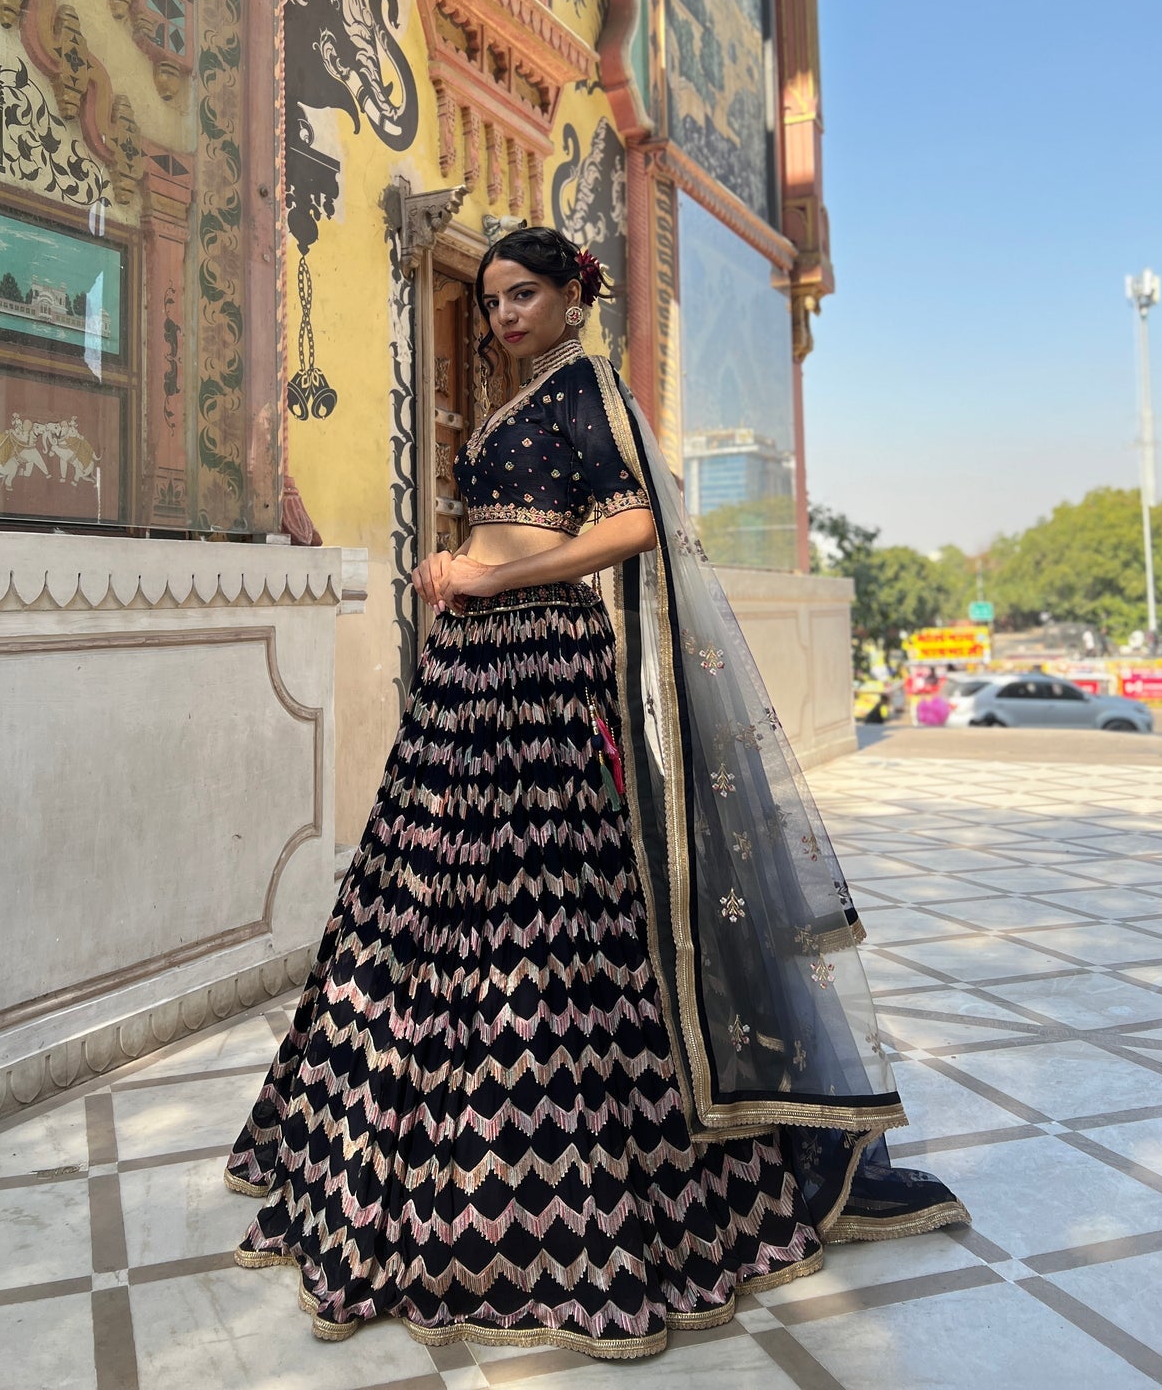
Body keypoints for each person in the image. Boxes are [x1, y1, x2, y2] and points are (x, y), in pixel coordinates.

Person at [223, 227, 966, 1359]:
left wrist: (489, 569)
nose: (501, 315)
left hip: (538, 674)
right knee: (429, 904)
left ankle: (587, 1193)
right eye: (489, 300)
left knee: (548, 918)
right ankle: (394, 1147)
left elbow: (634, 527)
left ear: (576, 295)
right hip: (478, 670)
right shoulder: (526, 400)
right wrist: (465, 577)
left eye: (522, 293)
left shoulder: (589, 388)